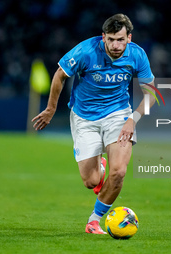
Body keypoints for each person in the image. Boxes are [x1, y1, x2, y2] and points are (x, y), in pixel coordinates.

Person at [32, 13, 155, 234]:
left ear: (129, 37)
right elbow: (60, 75)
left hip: (118, 115)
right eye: (110, 39)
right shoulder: (85, 51)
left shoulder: (137, 55)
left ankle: (94, 221)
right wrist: (50, 109)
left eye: (120, 39)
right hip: (84, 117)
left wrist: (132, 120)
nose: (115, 45)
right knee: (91, 181)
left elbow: (152, 93)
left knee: (118, 172)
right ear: (103, 37)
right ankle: (99, 166)